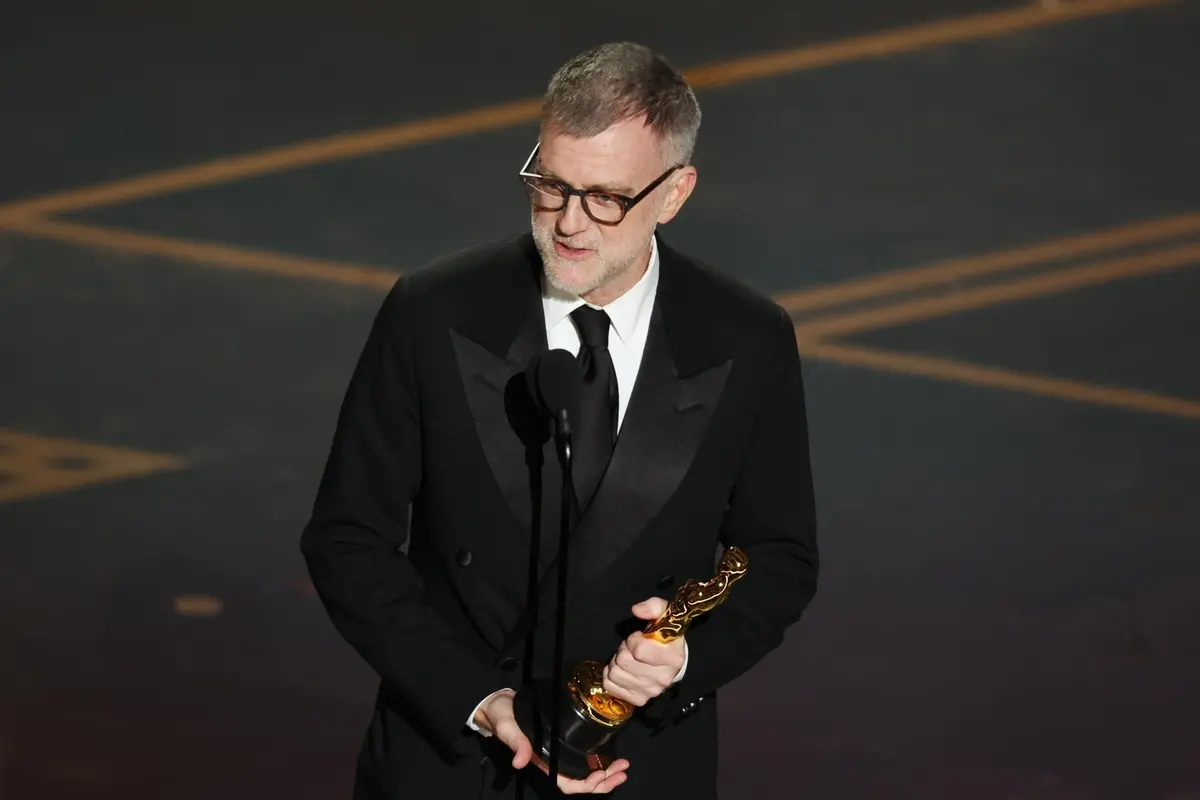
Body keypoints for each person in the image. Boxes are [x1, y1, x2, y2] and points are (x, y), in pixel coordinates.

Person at [300, 41, 818, 799]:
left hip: (636, 765)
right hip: (451, 763)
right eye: (550, 185)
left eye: (606, 198)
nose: (570, 223)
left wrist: (681, 660)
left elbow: (780, 555)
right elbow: (347, 538)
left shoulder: (746, 337)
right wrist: (477, 699)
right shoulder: (433, 312)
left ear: (675, 193)